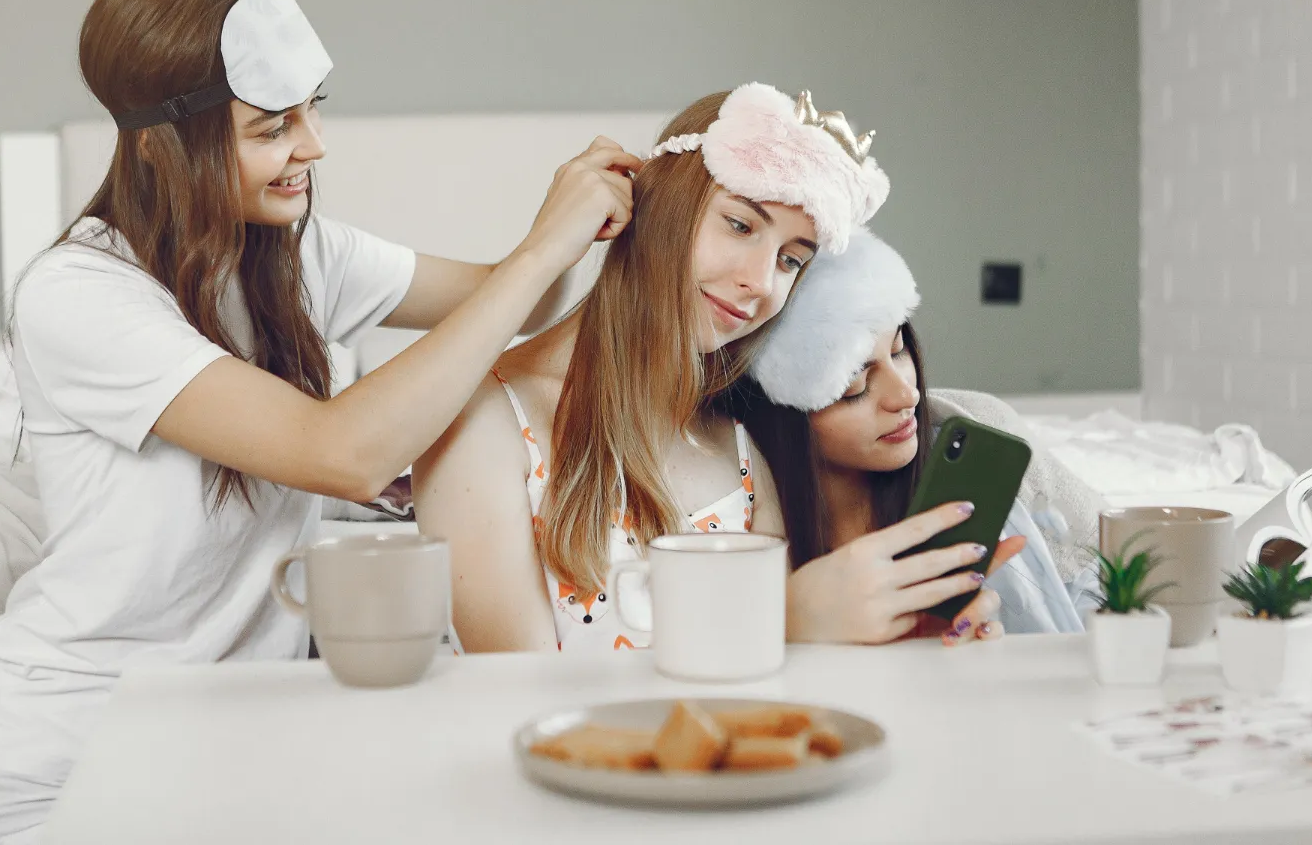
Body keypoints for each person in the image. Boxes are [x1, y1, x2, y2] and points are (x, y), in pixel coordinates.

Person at [0, 0, 638, 844]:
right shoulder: (79, 293)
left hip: (229, 745)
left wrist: (582, 222)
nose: (313, 145)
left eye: (315, 110)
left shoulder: (297, 255)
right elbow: (342, 453)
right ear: (160, 146)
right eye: (273, 127)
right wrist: (543, 250)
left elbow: (508, 301)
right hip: (73, 759)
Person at [415, 83, 998, 652]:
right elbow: (518, 705)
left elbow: (771, 699)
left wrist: (899, 644)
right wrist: (785, 620)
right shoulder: (483, 421)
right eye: (741, 225)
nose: (761, 282)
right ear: (662, 204)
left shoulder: (737, 441)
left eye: (791, 259)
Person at [738, 227, 1102, 644]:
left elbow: (1114, 566)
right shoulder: (743, 527)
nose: (906, 394)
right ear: (780, 414)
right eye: (855, 385)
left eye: (898, 350)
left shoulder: (978, 427)